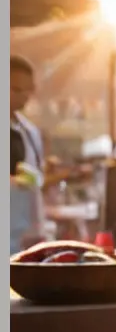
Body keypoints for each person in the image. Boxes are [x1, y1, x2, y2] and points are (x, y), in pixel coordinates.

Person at [10, 55, 45, 253]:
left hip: (26, 236)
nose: (24, 95)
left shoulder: (30, 132)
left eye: (28, 90)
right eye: (16, 89)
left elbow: (35, 182)